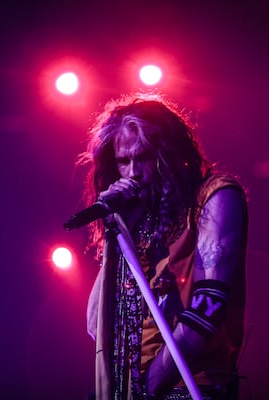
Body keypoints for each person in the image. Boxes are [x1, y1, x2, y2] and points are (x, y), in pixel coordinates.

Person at [79, 93, 248, 400]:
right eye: (123, 161)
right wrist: (118, 234)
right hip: (126, 388)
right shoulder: (137, 217)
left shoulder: (214, 198)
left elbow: (207, 308)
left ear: (170, 153)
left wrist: (150, 385)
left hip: (189, 385)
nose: (133, 172)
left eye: (143, 157)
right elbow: (95, 325)